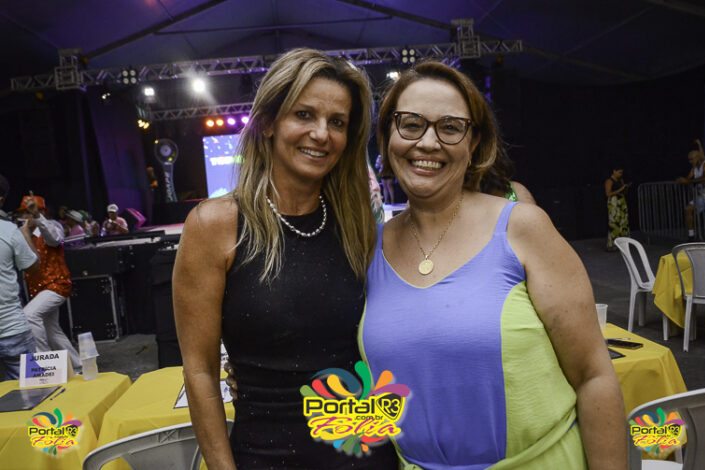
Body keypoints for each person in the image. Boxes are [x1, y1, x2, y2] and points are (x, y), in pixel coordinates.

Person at [361, 61, 626, 469]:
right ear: (386, 137)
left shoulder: (523, 229)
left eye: (450, 127)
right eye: (411, 124)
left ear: (474, 143)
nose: (428, 142)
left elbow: (594, 377)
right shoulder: (368, 249)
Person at [173, 48, 397, 469]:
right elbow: (199, 371)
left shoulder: (358, 225)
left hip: (367, 453)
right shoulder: (215, 226)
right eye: (304, 115)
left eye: (337, 122)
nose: (321, 134)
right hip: (267, 456)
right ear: (268, 122)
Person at [17, 194, 81, 371]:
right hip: (39, 289)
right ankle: (77, 366)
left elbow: (54, 239)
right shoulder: (24, 234)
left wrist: (37, 217)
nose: (25, 217)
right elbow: (30, 261)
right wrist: (24, 235)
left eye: (28, 212)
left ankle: (44, 367)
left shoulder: (52, 226)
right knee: (52, 330)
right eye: (23, 213)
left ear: (41, 211)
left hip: (56, 285)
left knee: (29, 316)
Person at [0, 175, 38, 380]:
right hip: (11, 329)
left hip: (11, 331)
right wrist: (25, 234)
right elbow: (33, 267)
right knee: (33, 392)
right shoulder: (9, 231)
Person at [676, 140, 705, 240]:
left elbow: (704, 178)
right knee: (688, 209)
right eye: (689, 160)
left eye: (691, 159)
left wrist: (687, 181)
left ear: (697, 158)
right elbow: (688, 178)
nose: (690, 162)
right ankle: (691, 235)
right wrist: (681, 180)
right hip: (703, 196)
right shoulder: (694, 168)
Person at [604, 168, 631, 251]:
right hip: (614, 203)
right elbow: (608, 193)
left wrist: (626, 188)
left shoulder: (621, 180)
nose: (620, 174)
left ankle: (623, 244)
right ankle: (612, 244)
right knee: (614, 223)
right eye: (619, 172)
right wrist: (621, 189)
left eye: (621, 172)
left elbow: (624, 192)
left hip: (621, 202)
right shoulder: (609, 181)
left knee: (623, 223)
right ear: (614, 171)